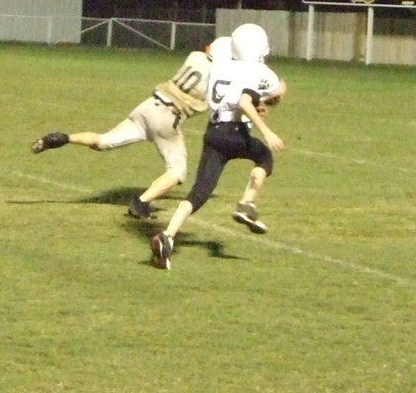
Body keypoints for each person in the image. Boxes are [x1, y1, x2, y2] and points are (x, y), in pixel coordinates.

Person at [31, 36, 232, 219]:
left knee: (104, 141)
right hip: (168, 117)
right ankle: (142, 203)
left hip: (148, 106)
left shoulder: (195, 56)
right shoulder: (220, 75)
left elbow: (207, 57)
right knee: (177, 172)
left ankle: (63, 138)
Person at [150, 22, 286, 270]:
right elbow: (246, 100)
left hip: (213, 133)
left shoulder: (219, 67)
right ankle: (247, 203)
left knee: (199, 192)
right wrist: (266, 129)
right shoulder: (256, 70)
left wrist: (257, 104)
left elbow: (234, 98)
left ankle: (167, 237)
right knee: (264, 157)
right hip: (235, 132)